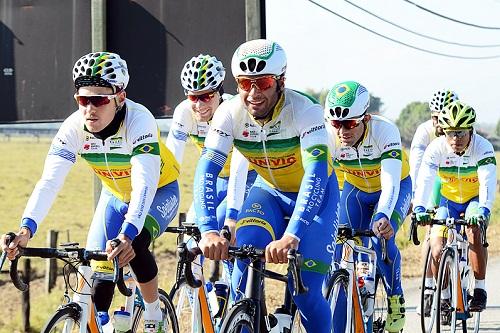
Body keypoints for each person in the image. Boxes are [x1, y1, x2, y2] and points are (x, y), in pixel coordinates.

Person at [0, 52, 180, 333]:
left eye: (99, 100)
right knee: (99, 282)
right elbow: (49, 181)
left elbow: (144, 183)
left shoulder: (139, 120)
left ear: (120, 97)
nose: (89, 109)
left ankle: (154, 315)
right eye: (83, 100)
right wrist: (26, 229)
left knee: (136, 244)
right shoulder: (74, 127)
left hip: (158, 192)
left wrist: (128, 234)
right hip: (114, 197)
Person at [192, 39, 340, 332]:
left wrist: (292, 235)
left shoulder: (305, 112)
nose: (254, 93)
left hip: (317, 196)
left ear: (281, 81)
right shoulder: (229, 113)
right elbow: (206, 171)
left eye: (264, 82)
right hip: (269, 193)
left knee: (305, 293)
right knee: (243, 271)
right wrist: (209, 229)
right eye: (246, 83)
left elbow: (315, 175)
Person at [324, 81, 411, 332]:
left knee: (382, 238)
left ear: (366, 118)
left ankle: (395, 297)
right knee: (342, 245)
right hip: (356, 191)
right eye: (337, 124)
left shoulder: (385, 131)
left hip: (392, 189)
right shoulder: (330, 135)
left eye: (350, 123)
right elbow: (322, 179)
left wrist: (383, 214)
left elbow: (391, 181)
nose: (343, 131)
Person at [166, 54, 257, 283]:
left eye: (206, 97)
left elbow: (238, 169)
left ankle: (228, 291)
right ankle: (200, 300)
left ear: (219, 91)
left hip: (246, 178)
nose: (199, 105)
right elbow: (170, 161)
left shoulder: (235, 111)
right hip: (215, 179)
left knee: (221, 228)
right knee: (191, 236)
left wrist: (232, 217)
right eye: (193, 97)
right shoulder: (184, 112)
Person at [413, 101, 496, 321]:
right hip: (448, 202)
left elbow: (488, 181)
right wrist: (420, 206)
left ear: (470, 130)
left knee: (473, 232)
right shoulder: (437, 148)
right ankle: (446, 296)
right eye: (450, 133)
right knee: (437, 247)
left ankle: (479, 289)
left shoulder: (483, 147)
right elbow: (426, 179)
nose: (455, 139)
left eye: (460, 133)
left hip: (473, 200)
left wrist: (485, 210)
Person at [409, 88, 458, 317]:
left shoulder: (459, 129)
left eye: (443, 117)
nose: (438, 123)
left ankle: (456, 274)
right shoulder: (424, 132)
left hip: (454, 181)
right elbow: (417, 168)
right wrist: (418, 200)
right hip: (432, 178)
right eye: (435, 117)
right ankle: (429, 288)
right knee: (431, 232)